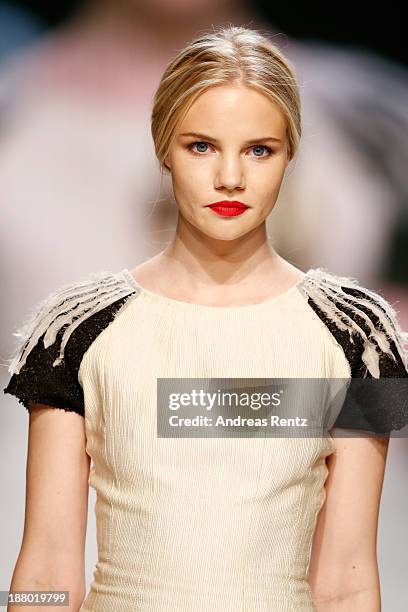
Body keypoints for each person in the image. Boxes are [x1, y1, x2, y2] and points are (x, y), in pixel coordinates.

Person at [3, 25, 408, 612]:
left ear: (290, 154)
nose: (230, 178)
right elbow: (46, 568)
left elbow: (347, 581)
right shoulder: (74, 329)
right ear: (162, 148)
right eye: (201, 146)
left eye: (258, 149)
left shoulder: (361, 336)